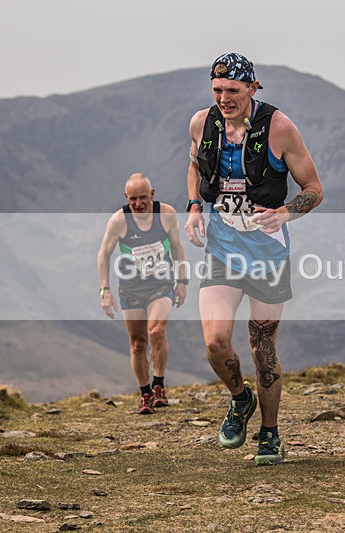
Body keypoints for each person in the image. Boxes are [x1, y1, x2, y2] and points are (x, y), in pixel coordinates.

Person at [185, 52, 323, 466]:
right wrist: (194, 205)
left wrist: (286, 212)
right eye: (217, 90)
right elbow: (193, 165)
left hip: (267, 252)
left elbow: (314, 188)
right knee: (214, 341)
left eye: (233, 90)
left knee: (262, 346)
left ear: (252, 88)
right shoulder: (202, 122)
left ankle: (270, 434)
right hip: (222, 247)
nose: (224, 98)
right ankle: (240, 398)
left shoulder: (279, 128)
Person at [97, 173, 187, 414]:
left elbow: (178, 247)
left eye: (143, 198)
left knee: (157, 331)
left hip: (161, 284)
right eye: (133, 199)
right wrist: (105, 290)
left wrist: (181, 281)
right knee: (138, 343)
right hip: (131, 289)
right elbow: (103, 254)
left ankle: (159, 386)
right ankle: (145, 393)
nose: (138, 204)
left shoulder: (166, 214)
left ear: (153, 195)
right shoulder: (119, 220)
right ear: (126, 198)